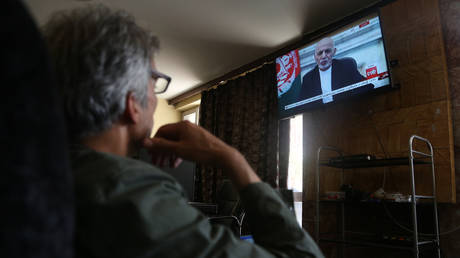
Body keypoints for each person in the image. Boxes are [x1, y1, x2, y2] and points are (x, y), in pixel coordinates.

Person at [43, 5, 324, 258]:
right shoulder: (128, 192)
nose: (154, 100)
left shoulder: (42, 176)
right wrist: (232, 159)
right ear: (132, 105)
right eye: (154, 85)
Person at [298, 37, 372, 104]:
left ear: (334, 51)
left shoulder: (346, 66)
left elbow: (365, 87)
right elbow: (302, 105)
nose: (323, 56)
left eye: (327, 51)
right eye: (320, 53)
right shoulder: (308, 79)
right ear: (315, 57)